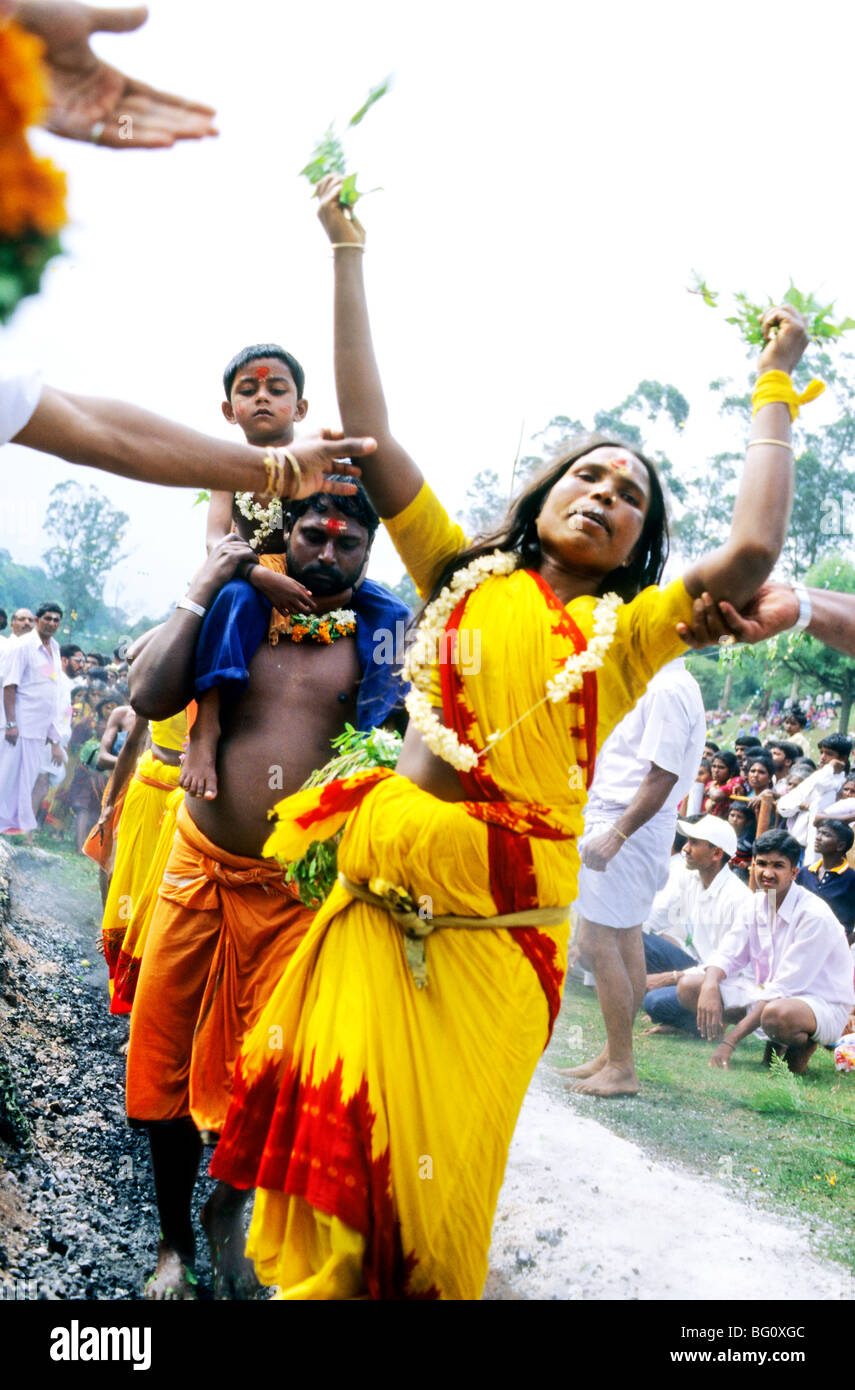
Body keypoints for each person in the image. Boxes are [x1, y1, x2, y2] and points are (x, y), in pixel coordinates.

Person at [205, 172, 810, 1301]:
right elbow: (369, 428)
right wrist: (347, 251)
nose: (604, 493)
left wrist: (776, 381)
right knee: (342, 1202)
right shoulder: (451, 568)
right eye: (586, 474)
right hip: (384, 918)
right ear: (539, 496)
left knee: (439, 1208)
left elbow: (751, 551)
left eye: (629, 496)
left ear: (638, 544)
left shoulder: (625, 632)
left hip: (504, 942)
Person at [125, 495, 409, 1301]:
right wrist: (210, 580)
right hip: (200, 873)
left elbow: (415, 741)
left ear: (367, 551)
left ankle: (229, 1207)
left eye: (346, 541)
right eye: (311, 534)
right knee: (168, 1068)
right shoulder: (237, 604)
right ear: (285, 534)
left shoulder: (383, 634)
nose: (326, 551)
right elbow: (150, 697)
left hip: (300, 899)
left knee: (277, 1077)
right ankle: (172, 1245)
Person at [558, 657, 706, 1096]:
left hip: (628, 825)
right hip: (626, 822)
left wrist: (617, 834)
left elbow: (663, 775)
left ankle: (622, 1066)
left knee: (594, 941)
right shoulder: (660, 682)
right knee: (624, 939)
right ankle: (612, 1055)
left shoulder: (667, 688)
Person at [182, 344, 324, 800]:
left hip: (310, 578)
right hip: (244, 576)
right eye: (249, 389)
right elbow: (214, 539)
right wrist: (259, 574)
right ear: (230, 410)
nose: (262, 397)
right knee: (234, 600)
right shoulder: (225, 465)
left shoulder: (316, 461)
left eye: (276, 389)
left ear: (299, 406)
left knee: (390, 612)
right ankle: (206, 726)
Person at [678, 830, 855, 1073]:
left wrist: (731, 1042)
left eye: (778, 866)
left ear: (794, 872)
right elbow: (727, 955)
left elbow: (785, 988)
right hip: (767, 993)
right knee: (690, 986)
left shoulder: (813, 915)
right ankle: (722, 1042)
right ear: (752, 866)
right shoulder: (755, 903)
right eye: (761, 864)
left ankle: (800, 1048)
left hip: (820, 1005)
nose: (767, 873)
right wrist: (709, 986)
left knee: (776, 1013)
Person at [641, 813, 753, 1034]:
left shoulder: (737, 898)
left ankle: (707, 1025)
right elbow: (656, 917)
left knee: (654, 1003)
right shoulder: (690, 879)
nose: (685, 849)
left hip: (723, 982)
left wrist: (670, 978)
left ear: (716, 853)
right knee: (637, 940)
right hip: (695, 967)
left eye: (694, 843)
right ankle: (681, 1012)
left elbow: (727, 966)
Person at [0, 599, 63, 833]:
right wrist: (11, 723)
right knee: (5, 776)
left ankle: (12, 827)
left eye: (56, 620)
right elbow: (10, 685)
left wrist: (52, 733)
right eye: (47, 618)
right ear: (38, 621)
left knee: (24, 781)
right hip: (19, 725)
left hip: (38, 728)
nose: (52, 623)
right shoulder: (23, 646)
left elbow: (50, 688)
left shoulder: (54, 648)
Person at [775, 734, 851, 863]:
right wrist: (800, 805)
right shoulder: (815, 779)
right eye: (821, 752)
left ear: (842, 758)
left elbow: (824, 783)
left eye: (829, 754)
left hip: (826, 855)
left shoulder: (843, 786)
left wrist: (829, 769)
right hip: (797, 850)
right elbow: (783, 806)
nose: (822, 758)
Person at [796, 819, 855, 943]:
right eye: (819, 833)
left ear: (840, 846)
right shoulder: (805, 872)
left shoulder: (851, 878)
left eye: (826, 835)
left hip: (834, 944)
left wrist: (848, 939)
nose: (818, 837)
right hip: (801, 938)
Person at [702, 750, 741, 818]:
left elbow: (716, 796)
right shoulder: (711, 783)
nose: (716, 770)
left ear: (731, 770)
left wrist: (711, 787)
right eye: (714, 766)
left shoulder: (736, 781)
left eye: (721, 767)